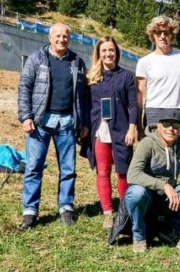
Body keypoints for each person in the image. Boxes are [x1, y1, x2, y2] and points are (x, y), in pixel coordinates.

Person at [17, 23, 90, 229]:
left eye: (65, 36)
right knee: (33, 168)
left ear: (69, 38)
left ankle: (66, 206)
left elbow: (83, 96)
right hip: (40, 122)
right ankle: (30, 211)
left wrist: (82, 121)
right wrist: (25, 117)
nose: (61, 39)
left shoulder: (77, 62)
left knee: (68, 169)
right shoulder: (36, 59)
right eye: (57, 36)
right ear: (49, 37)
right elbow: (24, 88)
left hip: (67, 122)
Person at [124, 110, 180, 253]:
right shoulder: (147, 143)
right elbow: (133, 175)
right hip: (148, 195)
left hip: (170, 198)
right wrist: (164, 185)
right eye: (166, 124)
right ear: (159, 125)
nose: (170, 129)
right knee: (135, 192)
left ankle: (171, 229)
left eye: (175, 125)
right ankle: (139, 234)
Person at [86, 36, 139, 230]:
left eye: (111, 50)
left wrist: (132, 127)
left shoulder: (126, 76)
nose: (108, 54)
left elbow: (134, 105)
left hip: (121, 130)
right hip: (100, 131)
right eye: (104, 51)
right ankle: (108, 212)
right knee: (103, 172)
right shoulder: (92, 78)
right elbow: (87, 105)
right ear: (99, 54)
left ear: (117, 52)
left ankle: (125, 211)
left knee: (123, 172)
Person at [136, 15, 180, 140]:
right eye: (158, 32)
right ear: (152, 35)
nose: (162, 36)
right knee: (156, 156)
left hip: (177, 112)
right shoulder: (144, 62)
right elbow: (139, 94)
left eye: (166, 32)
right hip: (153, 113)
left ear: (172, 35)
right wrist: (139, 124)